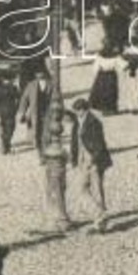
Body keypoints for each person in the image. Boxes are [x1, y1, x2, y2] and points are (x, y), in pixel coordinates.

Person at [67, 98, 113, 234]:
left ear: (84, 109)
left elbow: (100, 143)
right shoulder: (77, 122)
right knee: (82, 189)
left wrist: (94, 158)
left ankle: (100, 223)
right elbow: (74, 142)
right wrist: (74, 159)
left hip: (94, 160)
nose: (77, 114)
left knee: (97, 190)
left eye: (78, 111)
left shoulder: (94, 122)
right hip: (82, 160)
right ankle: (100, 214)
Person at [39, 105, 74, 234]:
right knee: (56, 188)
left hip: (55, 163)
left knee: (56, 189)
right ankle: (60, 216)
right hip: (56, 161)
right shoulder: (56, 144)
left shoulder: (54, 145)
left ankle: (59, 217)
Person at [16, 69, 54, 153]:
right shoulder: (31, 85)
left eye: (41, 72)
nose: (40, 74)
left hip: (48, 112)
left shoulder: (51, 84)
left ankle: (45, 152)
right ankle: (40, 153)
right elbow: (24, 99)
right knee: (37, 134)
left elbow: (57, 98)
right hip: (35, 113)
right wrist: (21, 112)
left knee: (47, 133)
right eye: (38, 73)